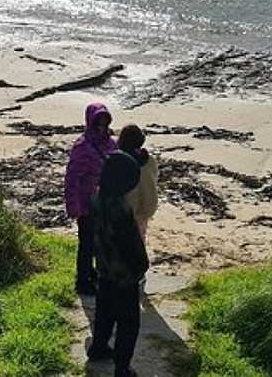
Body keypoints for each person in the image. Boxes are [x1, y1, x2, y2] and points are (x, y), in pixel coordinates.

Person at [87, 150, 148, 377]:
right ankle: (122, 368)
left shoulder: (96, 199)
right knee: (128, 324)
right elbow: (131, 246)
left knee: (103, 314)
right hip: (124, 276)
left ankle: (98, 347)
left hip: (103, 269)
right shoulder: (121, 209)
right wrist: (142, 265)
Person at [64, 103, 118, 296]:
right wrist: (73, 205)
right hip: (87, 203)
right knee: (86, 244)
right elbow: (72, 178)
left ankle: (94, 272)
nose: (102, 126)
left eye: (105, 121)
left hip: (105, 202)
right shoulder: (82, 146)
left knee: (101, 241)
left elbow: (120, 165)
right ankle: (82, 281)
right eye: (98, 122)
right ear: (91, 121)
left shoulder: (112, 143)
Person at [118, 124, 159, 243]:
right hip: (147, 204)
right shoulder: (149, 160)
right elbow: (155, 177)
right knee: (140, 238)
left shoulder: (121, 160)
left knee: (124, 241)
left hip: (127, 207)